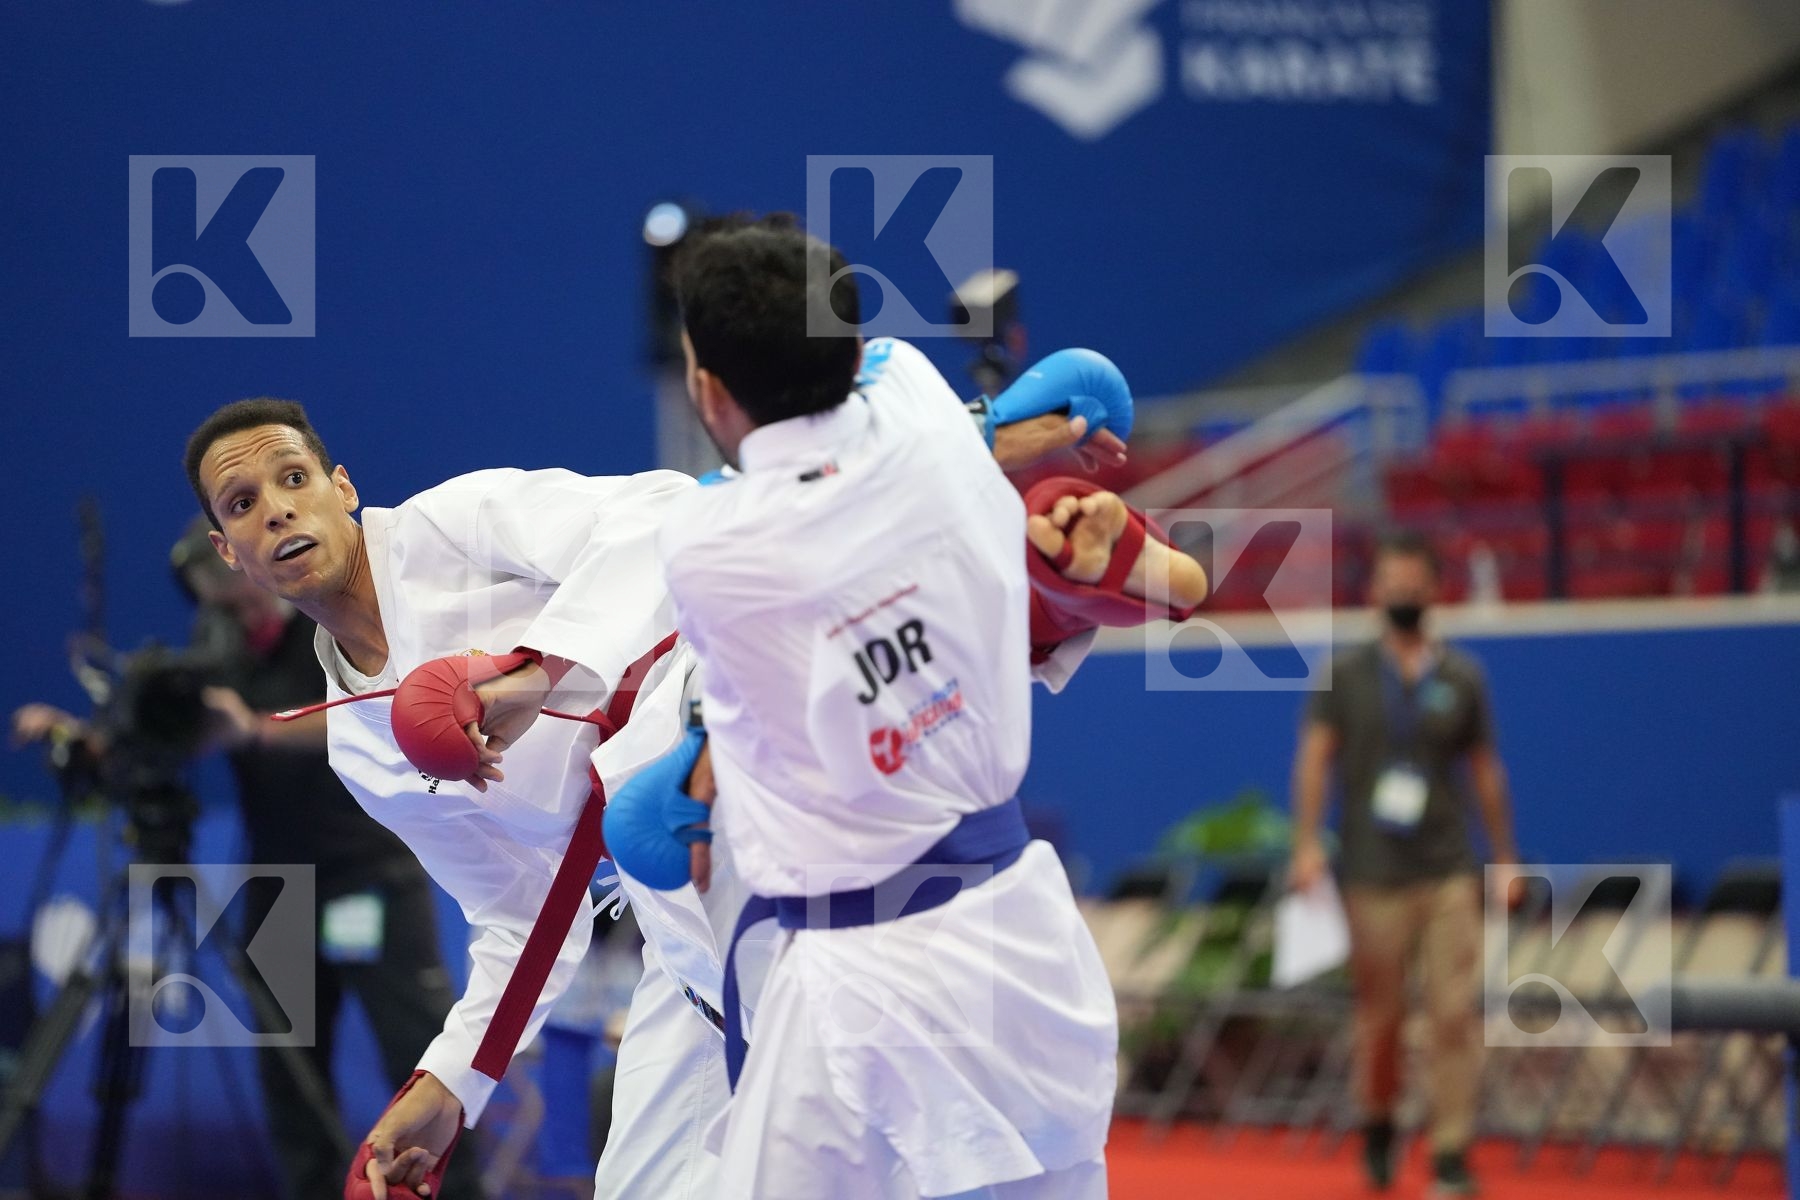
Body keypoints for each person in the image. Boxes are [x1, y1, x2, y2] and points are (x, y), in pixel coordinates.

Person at [182, 380, 1131, 1198]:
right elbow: (519, 915)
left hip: (731, 736)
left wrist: (531, 672)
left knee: (913, 1138)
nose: (275, 509)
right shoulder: (362, 748)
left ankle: (1006, 540)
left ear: (342, 488)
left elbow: (666, 513)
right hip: (676, 928)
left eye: (293, 479)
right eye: (241, 503)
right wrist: (448, 1087)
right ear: (228, 551)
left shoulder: (452, 525)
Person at [613, 213, 1209, 1199]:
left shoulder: (707, 545)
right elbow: (892, 396)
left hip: (857, 982)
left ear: (707, 390)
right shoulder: (920, 397)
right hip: (1020, 940)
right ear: (850, 346)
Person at [11, 519, 482, 1200]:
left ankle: (456, 1193)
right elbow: (159, 729)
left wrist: (254, 732)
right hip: (280, 889)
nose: (234, 615)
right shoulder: (218, 656)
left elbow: (380, 715)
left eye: (240, 599)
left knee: (417, 1059)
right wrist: (82, 736)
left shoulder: (334, 629)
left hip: (368, 878)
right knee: (288, 1073)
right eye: (215, 607)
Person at [1287, 530, 1520, 1198]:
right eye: (1392, 583)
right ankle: (1379, 1122)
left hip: (1448, 869)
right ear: (1373, 592)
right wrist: (1306, 843)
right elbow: (1314, 758)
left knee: (1452, 1014)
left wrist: (1503, 858)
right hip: (1371, 872)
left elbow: (1486, 772)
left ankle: (1450, 1151)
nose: (1403, 594)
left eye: (1414, 584)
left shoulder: (1463, 677)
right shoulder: (1345, 676)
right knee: (1382, 1017)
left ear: (1434, 590)